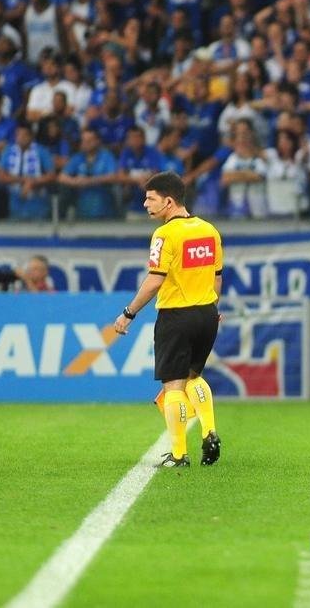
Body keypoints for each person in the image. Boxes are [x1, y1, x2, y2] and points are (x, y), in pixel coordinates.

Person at [112, 171, 223, 469]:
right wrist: (213, 306)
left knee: (173, 385)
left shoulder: (164, 234)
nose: (145, 204)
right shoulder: (209, 230)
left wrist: (128, 313)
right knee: (194, 378)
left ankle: (178, 454)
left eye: (151, 199)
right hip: (207, 314)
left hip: (177, 316)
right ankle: (210, 430)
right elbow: (217, 276)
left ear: (169, 201)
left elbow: (154, 280)